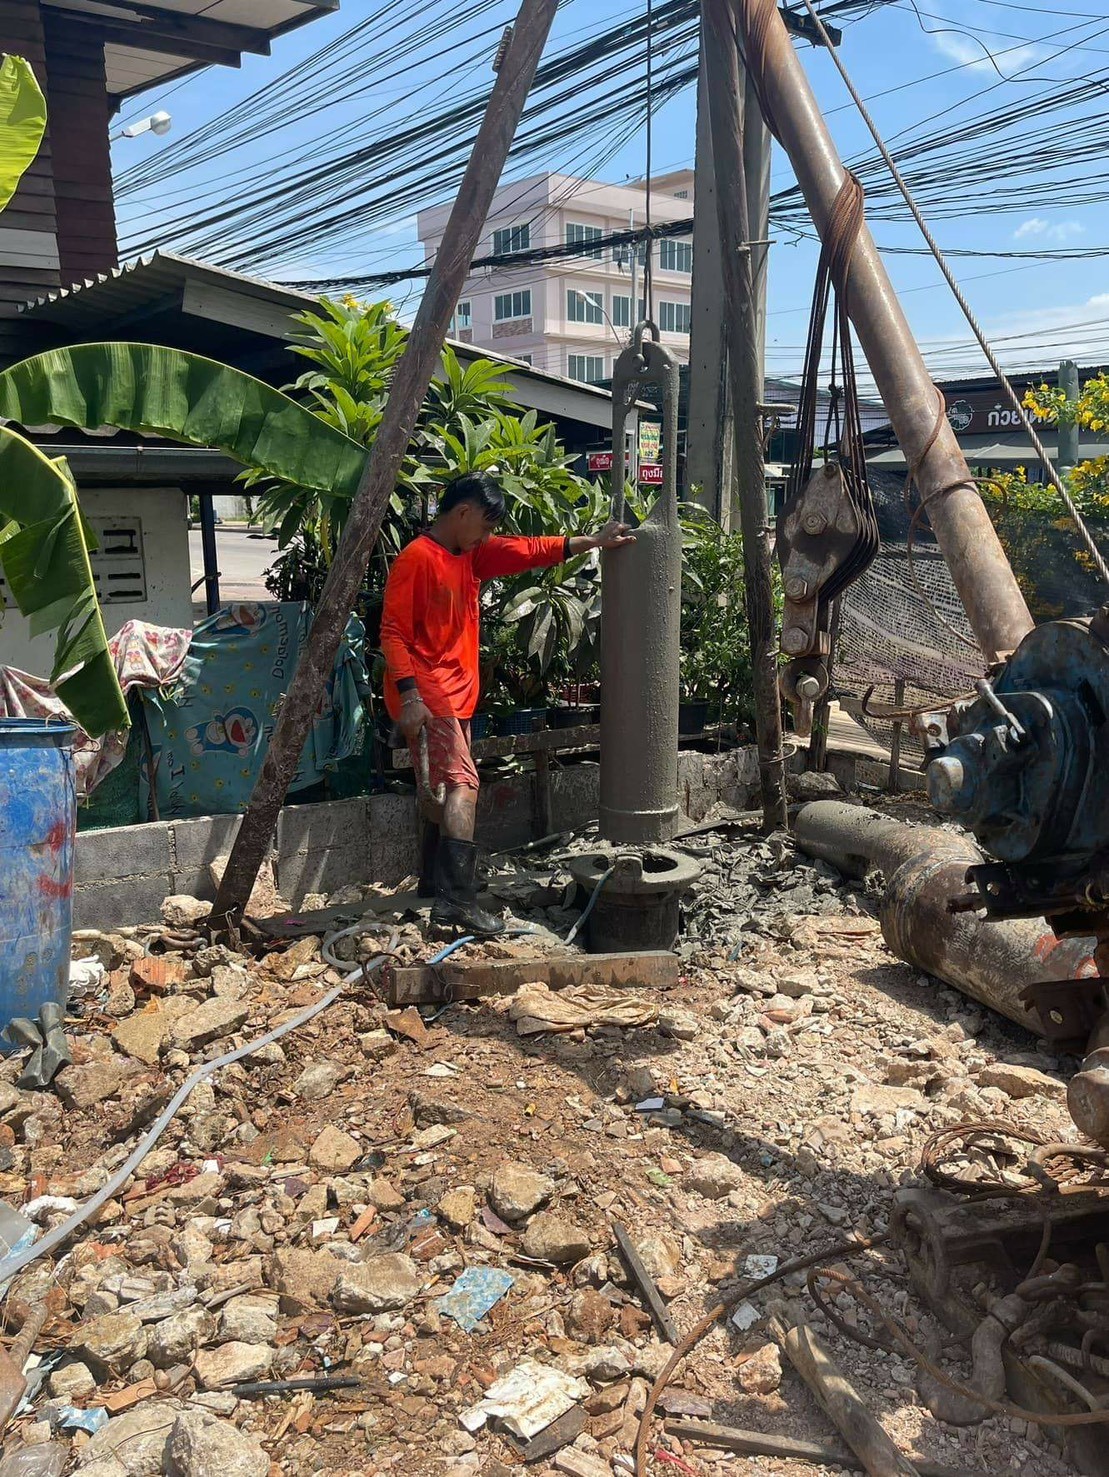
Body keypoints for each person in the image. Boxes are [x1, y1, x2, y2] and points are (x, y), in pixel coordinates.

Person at [380, 470, 635, 937]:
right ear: (463, 513)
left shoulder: (470, 554)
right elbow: (393, 632)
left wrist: (594, 541)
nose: (488, 535)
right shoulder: (417, 559)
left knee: (442, 788)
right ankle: (456, 904)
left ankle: (435, 881)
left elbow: (529, 549)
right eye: (485, 524)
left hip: (455, 693)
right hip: (430, 693)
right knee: (463, 786)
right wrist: (410, 696)